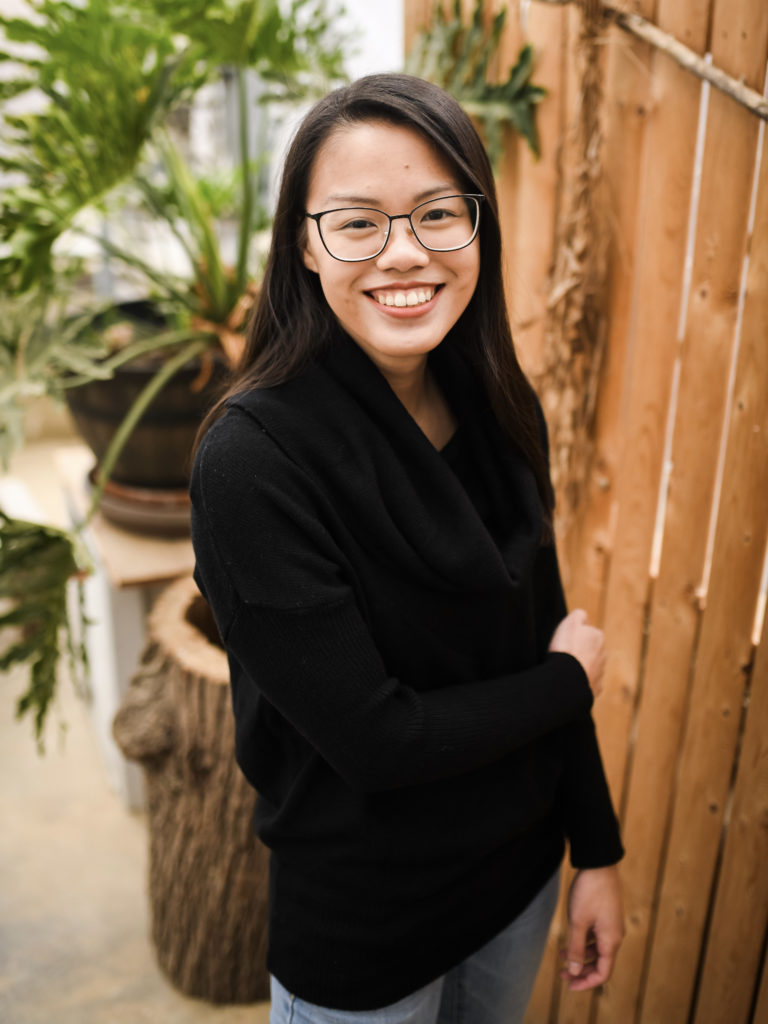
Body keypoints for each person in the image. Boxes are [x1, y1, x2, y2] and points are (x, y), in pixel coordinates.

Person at [190, 73, 624, 1024]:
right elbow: (379, 741)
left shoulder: (501, 408)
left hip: (517, 884)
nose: (405, 254)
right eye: (357, 223)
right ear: (304, 243)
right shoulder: (251, 464)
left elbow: (542, 629)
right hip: (367, 930)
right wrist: (565, 684)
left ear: (480, 226)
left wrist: (595, 851)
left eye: (437, 213)